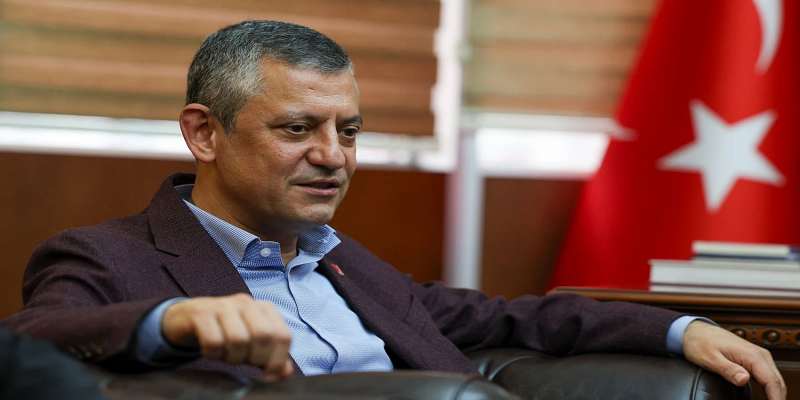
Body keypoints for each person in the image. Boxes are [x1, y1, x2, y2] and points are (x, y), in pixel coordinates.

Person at [2, 20, 786, 400]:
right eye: (297, 129)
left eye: (348, 131)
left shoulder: (347, 264)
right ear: (205, 133)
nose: (335, 157)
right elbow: (29, 344)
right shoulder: (109, 256)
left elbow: (510, 317)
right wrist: (171, 323)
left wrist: (682, 329)